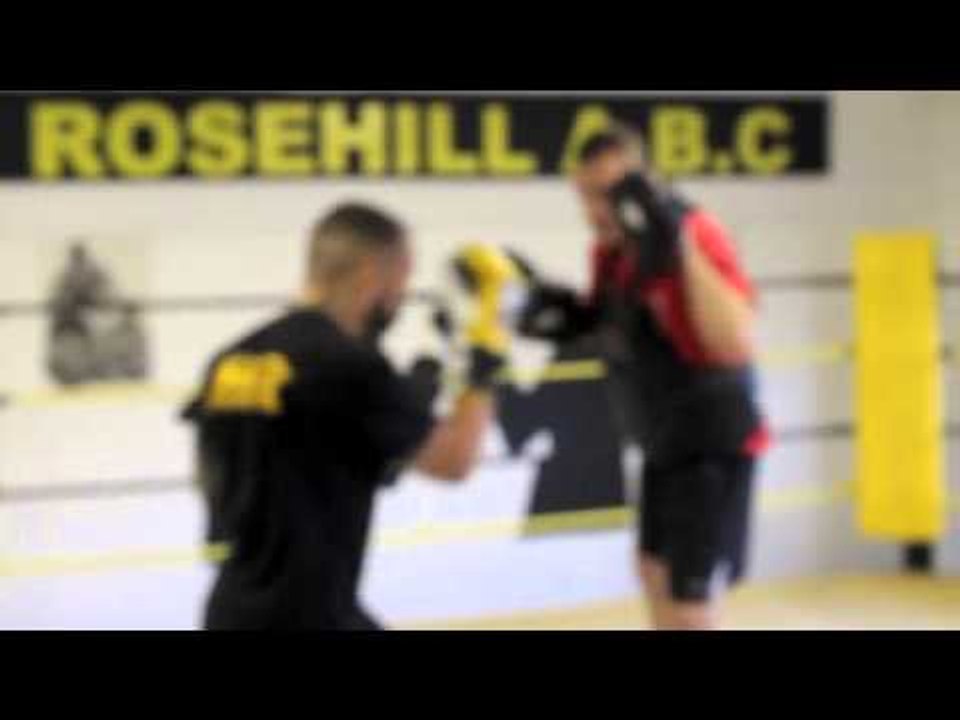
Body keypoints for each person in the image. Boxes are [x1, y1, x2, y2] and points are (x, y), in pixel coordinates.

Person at [182, 203, 520, 631]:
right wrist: (487, 357)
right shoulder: (349, 365)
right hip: (311, 616)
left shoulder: (231, 360)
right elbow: (454, 461)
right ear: (370, 276)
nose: (400, 297)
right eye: (400, 281)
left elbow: (228, 472)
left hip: (232, 612)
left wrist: (377, 445)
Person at [510, 128, 772, 630]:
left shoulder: (696, 231)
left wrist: (680, 244)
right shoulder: (612, 254)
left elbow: (735, 342)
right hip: (663, 439)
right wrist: (549, 312)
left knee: (689, 598)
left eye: (608, 194)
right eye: (585, 195)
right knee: (652, 568)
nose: (595, 210)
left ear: (644, 184)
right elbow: (610, 326)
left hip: (713, 443)